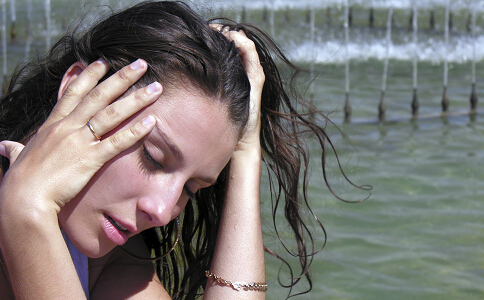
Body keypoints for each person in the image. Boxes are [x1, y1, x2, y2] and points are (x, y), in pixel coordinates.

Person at [0, 1, 366, 299]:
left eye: (192, 189)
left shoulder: (108, 259)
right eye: (153, 157)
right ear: (80, 88)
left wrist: (245, 153)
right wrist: (25, 209)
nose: (161, 212)